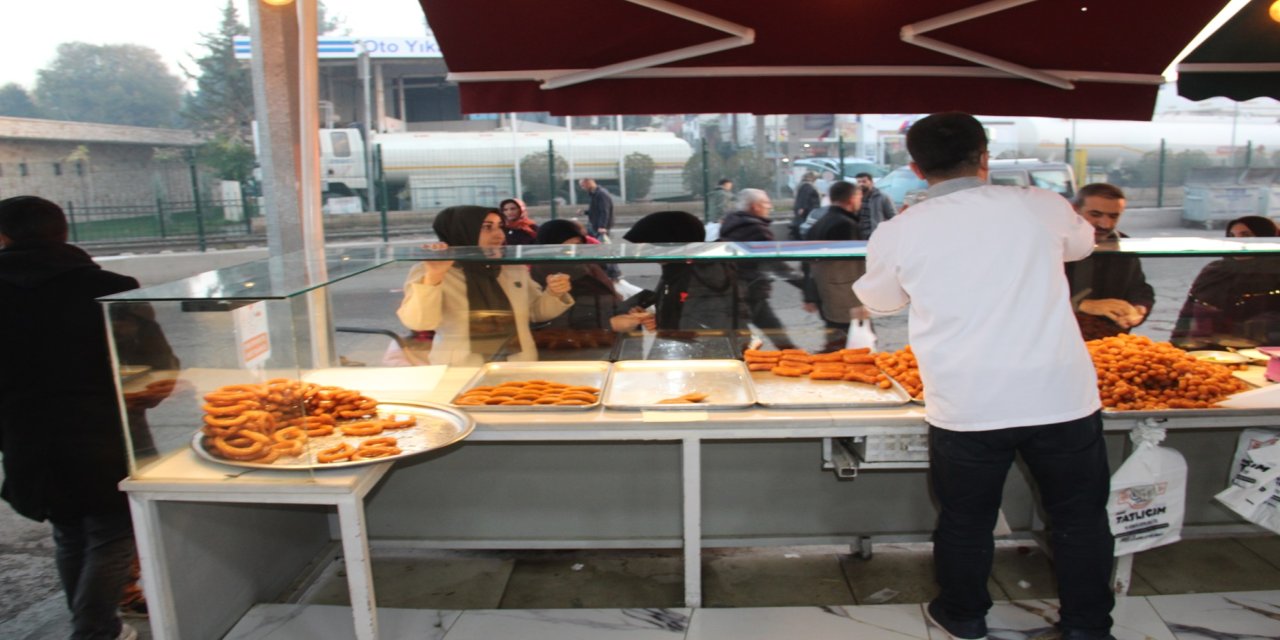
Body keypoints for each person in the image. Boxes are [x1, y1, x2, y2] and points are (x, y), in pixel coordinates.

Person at [853, 113, 1114, 640]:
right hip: (1060, 393)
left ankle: (964, 615)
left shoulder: (900, 229)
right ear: (984, 155)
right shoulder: (1041, 205)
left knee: (967, 518)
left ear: (916, 168)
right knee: (1080, 518)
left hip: (969, 399)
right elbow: (1083, 246)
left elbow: (879, 302)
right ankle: (1088, 626)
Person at [0, 195, 145, 640]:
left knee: (69, 531)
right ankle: (94, 630)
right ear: (63, 232)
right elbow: (153, 370)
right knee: (112, 532)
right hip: (106, 437)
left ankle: (92, 624)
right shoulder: (112, 287)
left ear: (4, 239)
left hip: (26, 439)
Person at [396, 205, 574, 364]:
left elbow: (535, 312)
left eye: (500, 227)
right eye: (487, 227)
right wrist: (434, 276)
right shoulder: (430, 270)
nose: (499, 235)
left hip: (518, 364)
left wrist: (554, 292)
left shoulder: (511, 268)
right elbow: (419, 322)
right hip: (459, 369)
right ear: (462, 231)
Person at [1170, 215, 1280, 348]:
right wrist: (1175, 345)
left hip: (1264, 352)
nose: (1237, 242)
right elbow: (1188, 312)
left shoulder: (1274, 273)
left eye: (1246, 236)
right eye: (1232, 236)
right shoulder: (1215, 271)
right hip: (1208, 352)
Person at [624, 210, 741, 331]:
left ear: (667, 245)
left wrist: (666, 327)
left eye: (645, 245)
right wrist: (659, 320)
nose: (639, 252)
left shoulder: (698, 279)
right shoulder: (678, 269)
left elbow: (695, 331)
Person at [1065, 183, 1154, 340]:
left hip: (1109, 342)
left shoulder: (1122, 244)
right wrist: (1081, 305)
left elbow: (1139, 288)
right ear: (1074, 210)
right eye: (1095, 214)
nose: (1105, 224)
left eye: (1113, 216)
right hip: (1059, 341)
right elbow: (1031, 297)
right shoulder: (1052, 245)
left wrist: (1138, 308)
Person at [532, 219, 655, 332]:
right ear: (549, 247)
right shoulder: (548, 275)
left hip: (603, 340)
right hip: (576, 348)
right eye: (567, 248)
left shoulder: (587, 266)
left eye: (579, 246)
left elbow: (602, 303)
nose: (574, 252)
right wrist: (609, 324)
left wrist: (627, 311)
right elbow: (555, 320)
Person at [717, 189, 797, 349]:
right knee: (773, 331)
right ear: (755, 207)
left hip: (736, 288)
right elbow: (776, 264)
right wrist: (804, 284)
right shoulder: (757, 230)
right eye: (766, 203)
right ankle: (793, 359)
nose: (770, 206)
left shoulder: (731, 222)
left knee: (752, 331)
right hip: (752, 289)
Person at [802, 180, 867, 351]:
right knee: (858, 346)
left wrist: (810, 295)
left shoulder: (819, 224)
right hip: (846, 300)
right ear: (852, 199)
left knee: (837, 341)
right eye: (859, 197)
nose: (860, 202)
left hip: (826, 295)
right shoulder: (846, 224)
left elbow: (808, 264)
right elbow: (855, 267)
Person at [854, 171, 896, 238]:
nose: (861, 184)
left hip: (875, 235)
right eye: (859, 182)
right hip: (857, 235)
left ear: (871, 182)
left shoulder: (882, 197)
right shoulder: (854, 198)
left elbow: (893, 217)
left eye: (864, 181)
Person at [788, 170, 821, 240]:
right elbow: (804, 198)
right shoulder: (807, 186)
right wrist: (802, 208)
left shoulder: (803, 186)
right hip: (808, 213)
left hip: (806, 213)